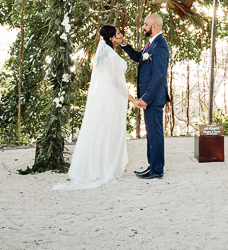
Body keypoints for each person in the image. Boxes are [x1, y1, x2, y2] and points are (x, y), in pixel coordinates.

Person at [53, 25, 136, 190]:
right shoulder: (111, 56)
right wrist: (131, 98)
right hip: (111, 96)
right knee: (109, 131)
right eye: (118, 34)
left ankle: (105, 169)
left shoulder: (108, 54)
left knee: (105, 130)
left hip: (108, 95)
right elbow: (115, 80)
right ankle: (107, 171)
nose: (121, 35)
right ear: (111, 38)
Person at [121, 13, 170, 179]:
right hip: (150, 97)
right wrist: (124, 44)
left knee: (155, 134)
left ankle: (157, 170)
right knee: (151, 134)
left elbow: (159, 76)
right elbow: (138, 57)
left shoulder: (160, 46)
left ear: (154, 26)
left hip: (154, 99)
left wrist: (146, 98)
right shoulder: (151, 44)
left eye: (145, 24)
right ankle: (152, 166)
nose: (143, 27)